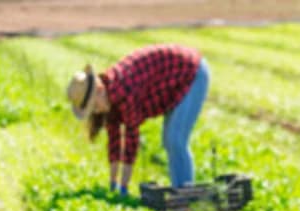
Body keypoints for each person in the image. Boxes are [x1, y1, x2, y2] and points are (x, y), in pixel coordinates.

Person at [66, 44, 209, 195]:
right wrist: (113, 182)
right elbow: (114, 140)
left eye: (94, 106)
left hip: (190, 73)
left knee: (175, 139)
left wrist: (124, 187)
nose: (96, 111)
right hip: (172, 81)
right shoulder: (109, 95)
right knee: (170, 140)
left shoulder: (124, 89)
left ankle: (186, 198)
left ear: (100, 90)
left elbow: (131, 141)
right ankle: (181, 196)